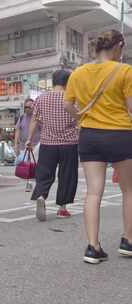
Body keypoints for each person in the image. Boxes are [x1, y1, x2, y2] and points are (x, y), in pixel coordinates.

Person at [64, 30, 132, 264]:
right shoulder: (125, 71)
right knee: (129, 191)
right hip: (121, 134)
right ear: (118, 47)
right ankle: (128, 242)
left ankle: (92, 247)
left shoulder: (78, 73)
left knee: (93, 192)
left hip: (90, 135)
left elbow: (67, 104)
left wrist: (81, 119)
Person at [26, 69, 78, 222]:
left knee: (44, 173)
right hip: (69, 143)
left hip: (48, 143)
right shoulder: (72, 98)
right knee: (67, 175)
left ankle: (41, 196)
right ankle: (62, 208)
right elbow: (79, 119)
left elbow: (34, 120)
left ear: (53, 82)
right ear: (68, 82)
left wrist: (29, 139)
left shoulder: (41, 99)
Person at [15, 99, 40, 192]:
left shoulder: (37, 117)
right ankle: (29, 183)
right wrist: (16, 144)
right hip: (23, 146)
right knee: (26, 166)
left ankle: (35, 183)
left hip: (35, 146)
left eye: (29, 107)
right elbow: (18, 130)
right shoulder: (22, 118)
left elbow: (42, 131)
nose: (27, 109)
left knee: (34, 165)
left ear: (33, 107)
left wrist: (37, 145)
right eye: (25, 107)